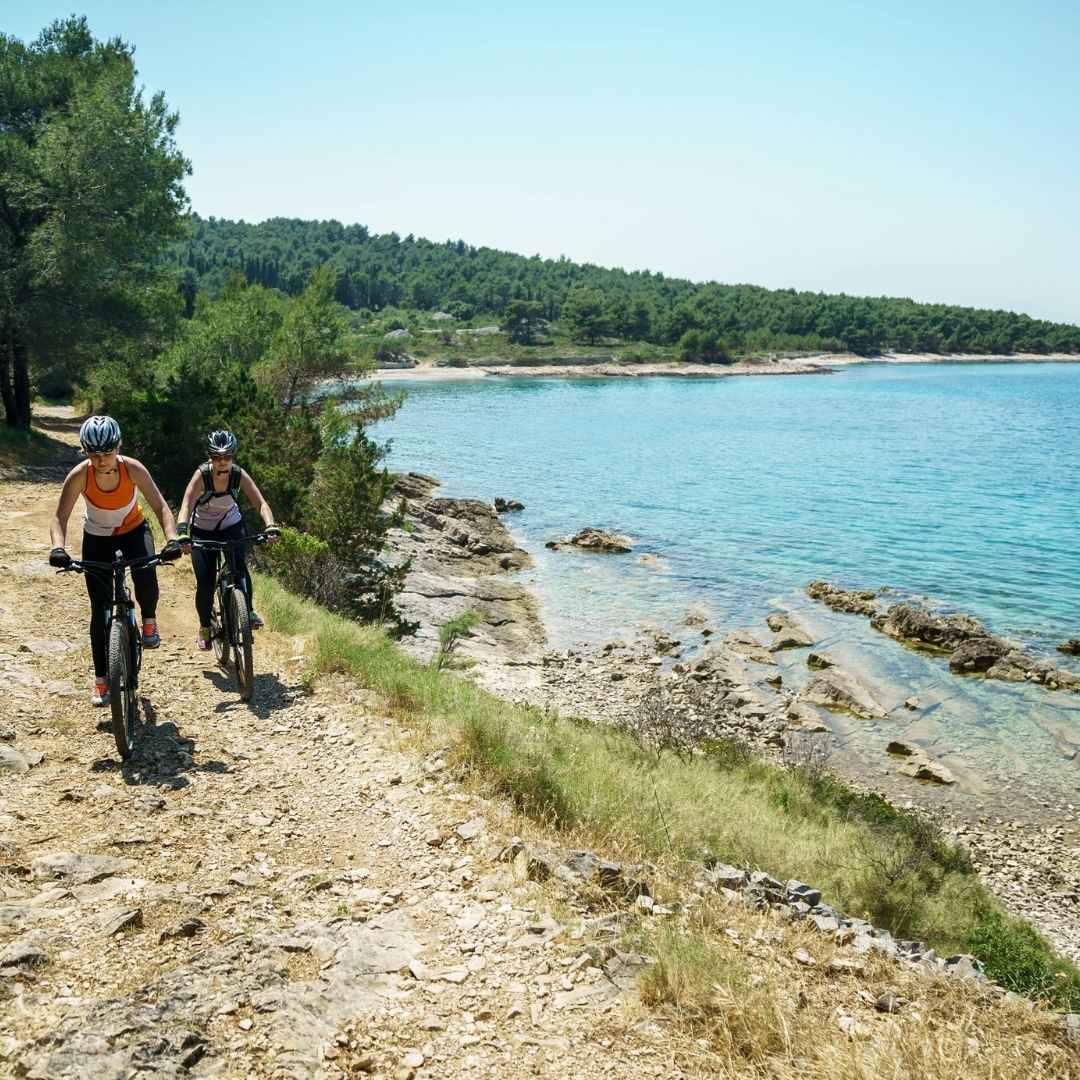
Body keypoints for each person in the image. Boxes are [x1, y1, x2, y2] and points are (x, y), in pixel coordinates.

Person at [49, 415, 183, 706]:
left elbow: (161, 507)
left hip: (134, 530)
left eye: (107, 453)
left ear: (118, 447)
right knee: (99, 610)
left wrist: (172, 539)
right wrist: (58, 547)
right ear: (85, 450)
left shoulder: (132, 468)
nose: (100, 460)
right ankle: (101, 681)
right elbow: (60, 517)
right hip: (97, 538)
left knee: (145, 573)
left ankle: (149, 620)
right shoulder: (80, 474)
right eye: (93, 453)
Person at [176, 430, 279, 651]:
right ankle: (205, 627)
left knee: (240, 568)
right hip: (203, 530)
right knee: (205, 582)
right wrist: (183, 531)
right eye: (216, 456)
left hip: (230, 525)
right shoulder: (202, 475)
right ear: (210, 457)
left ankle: (248, 610)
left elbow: (261, 503)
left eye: (227, 456)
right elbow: (186, 503)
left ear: (233, 456)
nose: (222, 461)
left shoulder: (238, 474)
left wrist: (270, 525)